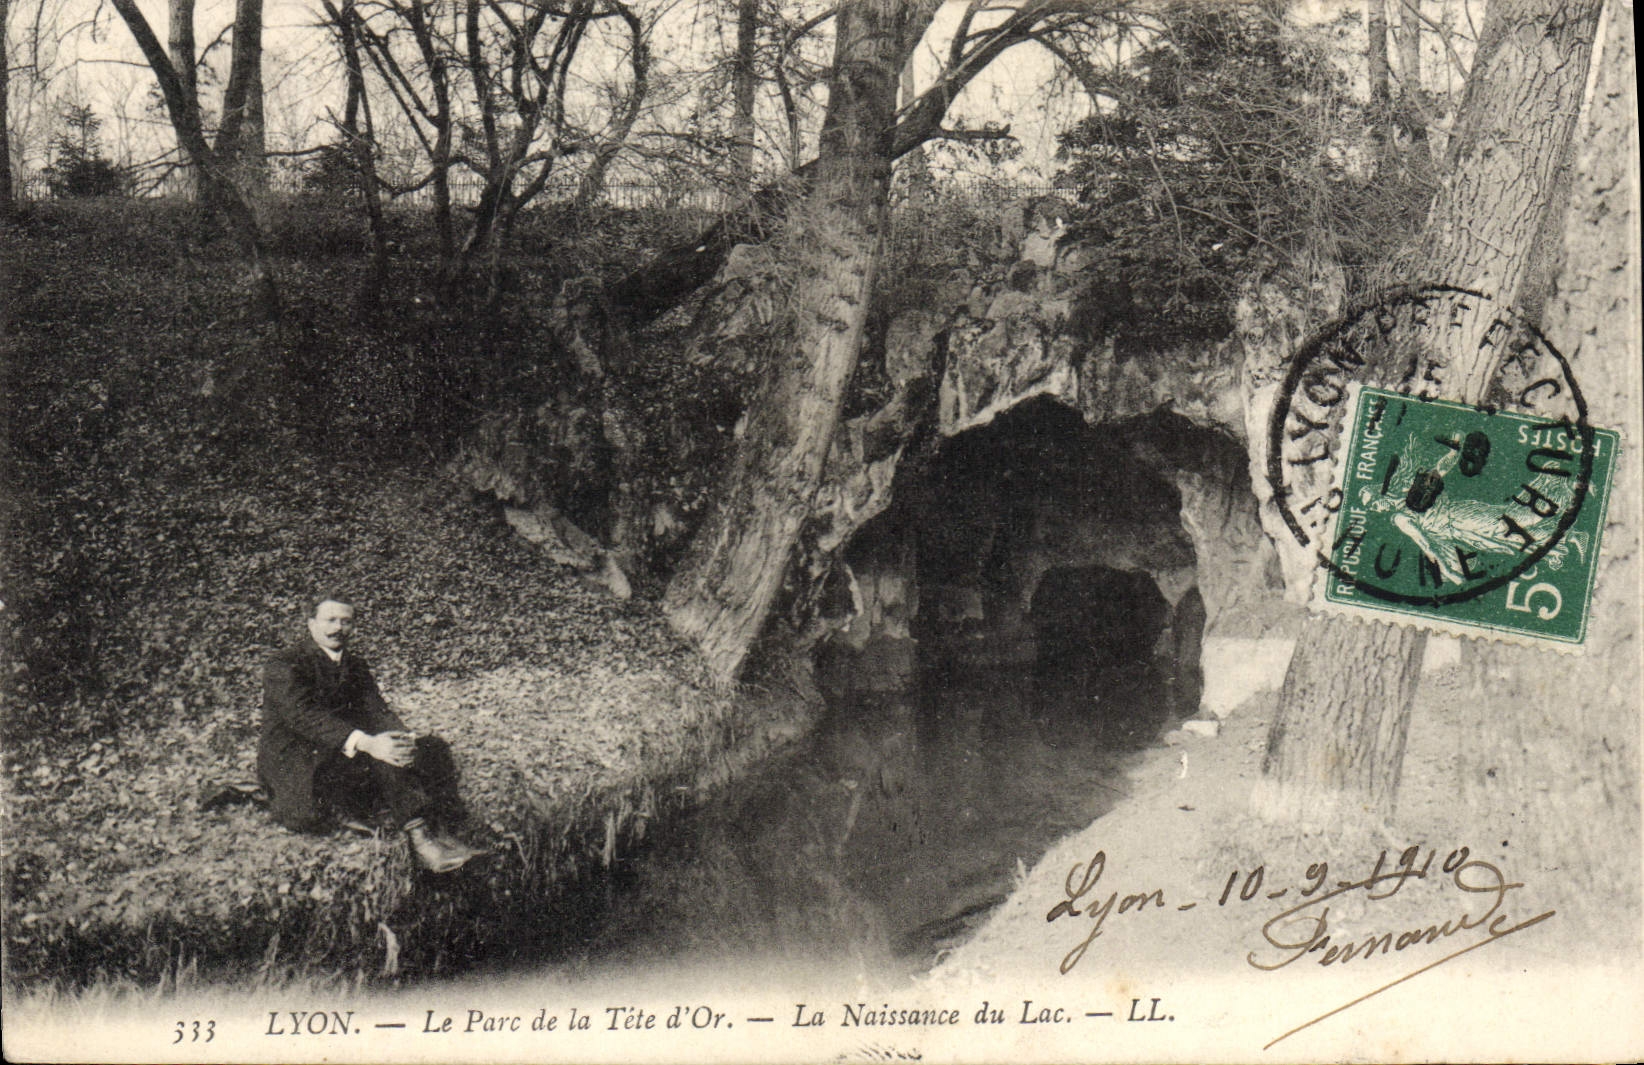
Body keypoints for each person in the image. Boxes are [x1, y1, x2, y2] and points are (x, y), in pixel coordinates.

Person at [258, 596, 483, 873]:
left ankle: (446, 829)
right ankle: (421, 839)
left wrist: (403, 738)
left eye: (346, 621)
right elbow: (303, 717)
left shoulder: (355, 664)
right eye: (330, 620)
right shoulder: (285, 663)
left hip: (339, 751)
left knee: (431, 748)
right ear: (311, 623)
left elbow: (375, 708)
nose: (338, 627)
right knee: (380, 754)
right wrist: (368, 743)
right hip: (300, 761)